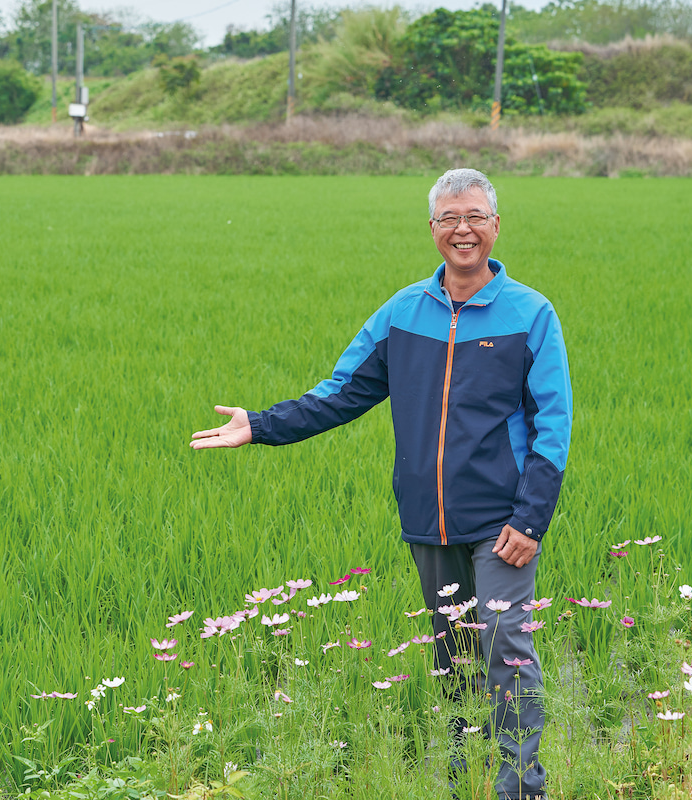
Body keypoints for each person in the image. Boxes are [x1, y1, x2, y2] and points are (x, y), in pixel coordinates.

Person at [189, 168, 571, 800]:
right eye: (449, 218)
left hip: (502, 522)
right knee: (452, 657)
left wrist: (531, 520)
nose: (463, 230)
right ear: (433, 229)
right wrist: (260, 425)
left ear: (496, 225)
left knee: (506, 648)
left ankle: (521, 790)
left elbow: (553, 426)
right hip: (428, 520)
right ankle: (461, 781)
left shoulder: (530, 314)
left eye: (475, 217)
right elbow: (341, 393)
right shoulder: (404, 314)